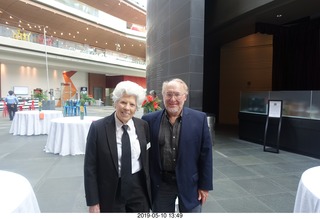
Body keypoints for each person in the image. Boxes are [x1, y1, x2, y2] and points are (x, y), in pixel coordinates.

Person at [142, 78, 213, 213]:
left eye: (177, 94)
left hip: (190, 183)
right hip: (161, 184)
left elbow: (206, 154)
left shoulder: (199, 119)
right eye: (168, 94)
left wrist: (204, 186)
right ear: (163, 96)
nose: (172, 98)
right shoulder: (149, 121)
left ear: (185, 97)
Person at [84, 80, 152, 213]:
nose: (127, 108)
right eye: (123, 102)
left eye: (132, 104)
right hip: (111, 191)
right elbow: (90, 167)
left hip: (138, 188)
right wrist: (93, 202)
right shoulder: (98, 128)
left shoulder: (143, 126)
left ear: (136, 108)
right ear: (115, 103)